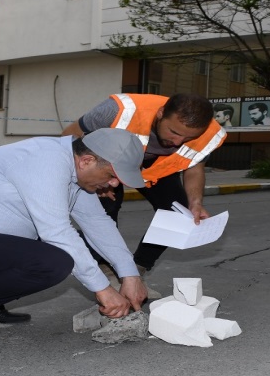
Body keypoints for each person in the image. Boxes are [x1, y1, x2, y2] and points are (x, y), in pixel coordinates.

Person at [0, 128, 148, 345]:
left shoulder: (75, 174)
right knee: (54, 260)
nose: (115, 184)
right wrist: (103, 289)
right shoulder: (44, 158)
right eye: (111, 175)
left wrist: (130, 275)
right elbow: (56, 230)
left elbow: (97, 223)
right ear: (87, 160)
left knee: (60, 251)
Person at [61, 93, 226, 277]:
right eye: (174, 132)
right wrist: (94, 176)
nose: (178, 142)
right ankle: (103, 269)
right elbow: (69, 135)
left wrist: (195, 203)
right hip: (112, 162)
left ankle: (137, 270)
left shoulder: (209, 133)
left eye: (188, 138)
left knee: (178, 213)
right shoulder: (117, 111)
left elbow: (195, 168)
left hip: (157, 168)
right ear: (161, 113)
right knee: (106, 209)